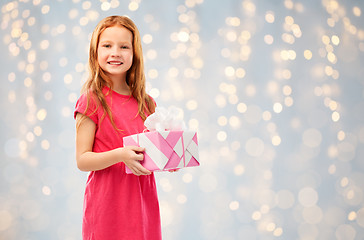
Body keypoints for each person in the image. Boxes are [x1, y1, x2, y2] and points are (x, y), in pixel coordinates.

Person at [74, 15, 161, 240]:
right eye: (107, 45)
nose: (115, 52)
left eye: (124, 46)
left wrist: (169, 158)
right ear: (95, 52)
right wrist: (120, 155)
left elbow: (149, 155)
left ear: (135, 53)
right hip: (107, 205)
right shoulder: (91, 100)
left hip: (142, 203)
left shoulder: (146, 103)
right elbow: (82, 160)